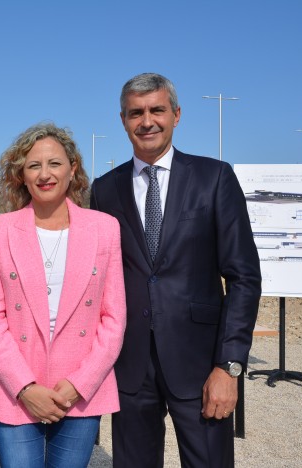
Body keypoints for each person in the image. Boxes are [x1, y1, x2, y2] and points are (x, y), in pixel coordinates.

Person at [90, 73, 262, 467]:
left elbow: (244, 278)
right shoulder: (104, 190)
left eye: (157, 110)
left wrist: (229, 366)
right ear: (123, 119)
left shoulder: (214, 178)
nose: (146, 121)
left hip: (202, 366)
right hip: (131, 368)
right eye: (136, 112)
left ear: (177, 115)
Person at [0, 123, 127, 467]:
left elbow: (114, 317)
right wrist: (24, 387)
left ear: (73, 168)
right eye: (34, 166)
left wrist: (79, 383)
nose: (45, 174)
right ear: (21, 175)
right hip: (16, 389)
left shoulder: (104, 228)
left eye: (55, 164)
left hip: (78, 389)